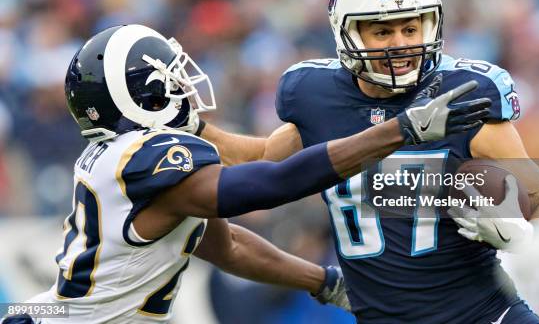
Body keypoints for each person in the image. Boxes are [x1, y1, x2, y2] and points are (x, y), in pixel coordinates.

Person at [2, 23, 489, 324]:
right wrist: (398, 131)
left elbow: (227, 246)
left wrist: (323, 281)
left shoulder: (125, 159)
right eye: (171, 80)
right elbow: (268, 185)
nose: (185, 89)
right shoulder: (147, 157)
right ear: (138, 96)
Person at [198, 0, 539, 323]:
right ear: (346, 29)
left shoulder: (465, 95)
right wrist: (192, 127)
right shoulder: (316, 96)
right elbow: (262, 160)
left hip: (485, 315)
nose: (400, 44)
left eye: (410, 28)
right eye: (382, 31)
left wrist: (525, 237)